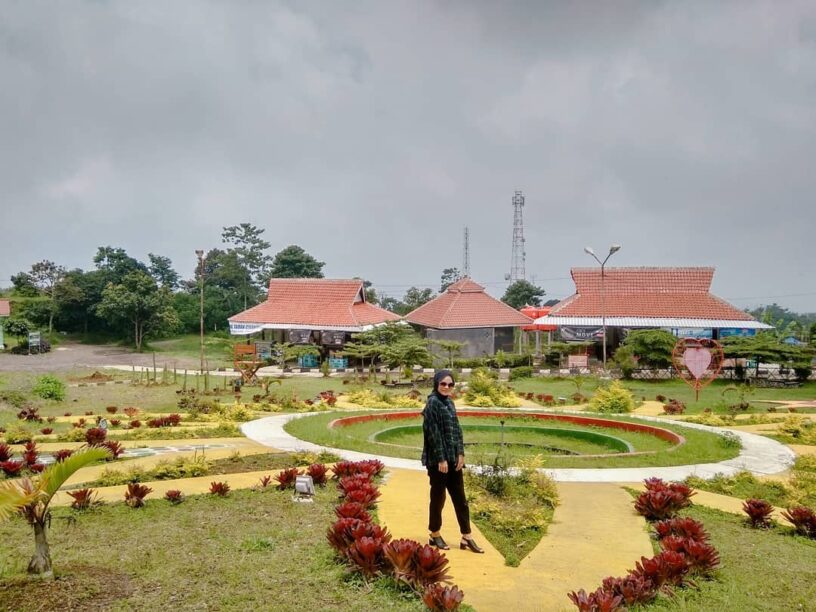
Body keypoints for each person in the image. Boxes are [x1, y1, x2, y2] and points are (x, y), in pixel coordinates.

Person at [421, 369, 484, 554]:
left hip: (453, 460)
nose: (447, 387)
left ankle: (467, 536)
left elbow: (457, 429)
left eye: (450, 384)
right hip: (438, 461)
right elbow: (433, 433)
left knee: (461, 499)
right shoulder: (432, 403)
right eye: (443, 384)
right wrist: (441, 458)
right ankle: (434, 533)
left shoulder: (450, 403)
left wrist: (461, 453)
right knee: (438, 499)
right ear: (436, 384)